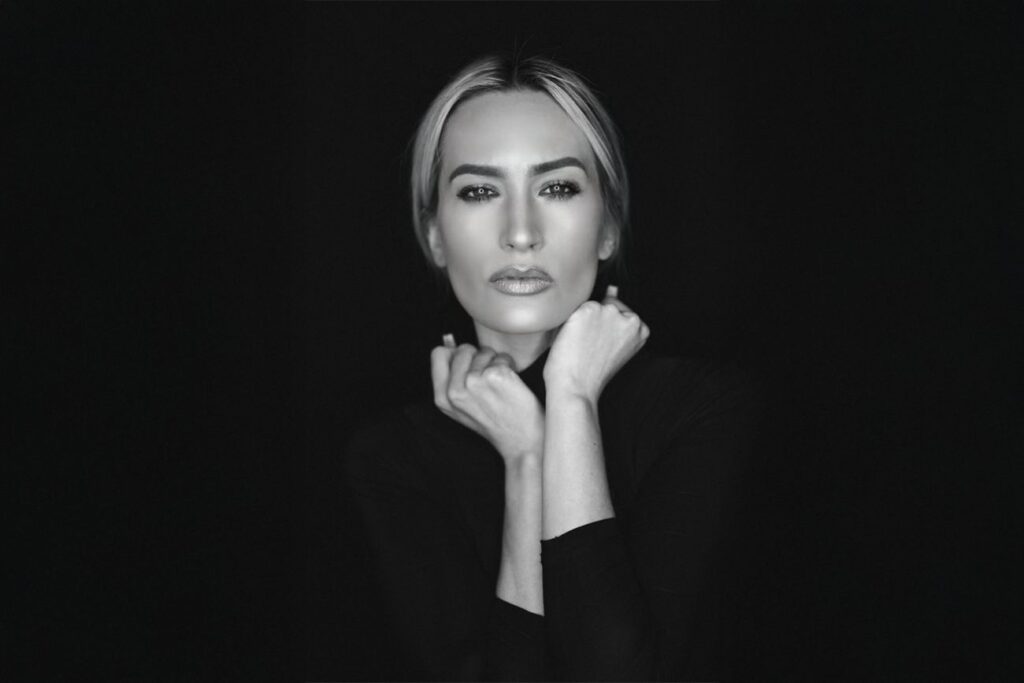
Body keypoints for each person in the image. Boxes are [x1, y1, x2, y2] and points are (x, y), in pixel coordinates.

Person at [346, 54, 759, 681]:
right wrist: (525, 458)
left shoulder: (702, 409)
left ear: (608, 228)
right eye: (480, 191)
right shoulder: (391, 458)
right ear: (434, 237)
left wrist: (570, 396)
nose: (520, 233)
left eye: (558, 188)